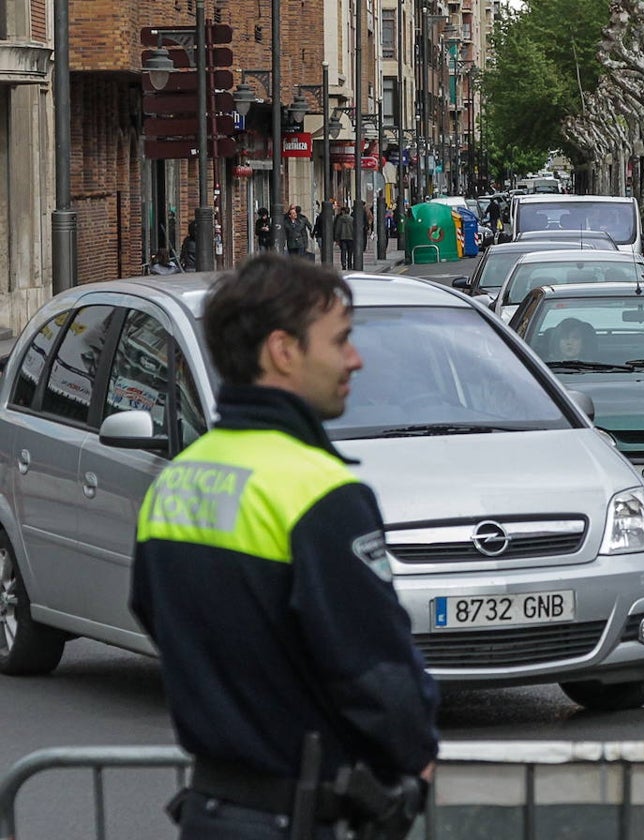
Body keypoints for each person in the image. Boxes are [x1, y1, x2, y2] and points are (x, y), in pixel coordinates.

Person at [130, 255, 439, 839]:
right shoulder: (319, 492)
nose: (355, 359)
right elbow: (373, 664)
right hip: (300, 816)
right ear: (283, 350)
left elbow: (156, 615)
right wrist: (413, 752)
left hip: (212, 810)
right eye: (341, 340)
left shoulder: (176, 481)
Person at [335, 204, 355, 270]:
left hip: (342, 237)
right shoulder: (352, 219)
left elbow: (337, 229)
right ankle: (349, 264)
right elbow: (354, 229)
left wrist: (336, 238)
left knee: (343, 251)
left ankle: (343, 264)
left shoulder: (340, 219)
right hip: (351, 237)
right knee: (350, 252)